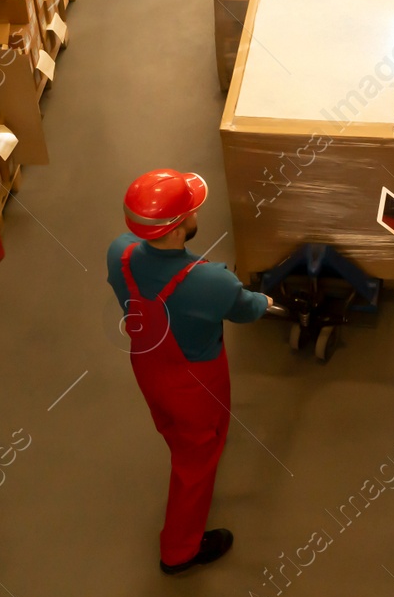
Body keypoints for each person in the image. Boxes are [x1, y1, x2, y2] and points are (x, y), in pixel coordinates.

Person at [107, 169, 272, 574]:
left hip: (148, 367)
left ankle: (186, 441)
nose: (198, 212)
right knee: (195, 462)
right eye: (192, 210)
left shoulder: (121, 252)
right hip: (196, 383)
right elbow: (246, 309)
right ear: (179, 230)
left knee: (173, 428)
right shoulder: (210, 281)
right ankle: (179, 551)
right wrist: (265, 301)